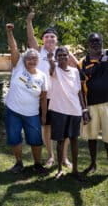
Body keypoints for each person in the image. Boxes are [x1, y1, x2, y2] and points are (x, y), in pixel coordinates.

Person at [26, 11, 78, 168]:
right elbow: (30, 39)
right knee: (46, 127)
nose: (49, 38)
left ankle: (64, 158)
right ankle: (50, 156)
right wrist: (29, 21)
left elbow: (77, 66)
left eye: (52, 37)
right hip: (43, 97)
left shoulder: (61, 53)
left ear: (56, 40)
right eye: (46, 36)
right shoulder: (39, 51)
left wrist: (70, 54)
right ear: (43, 40)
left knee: (65, 130)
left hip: (61, 98)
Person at [5, 23, 47, 174]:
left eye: (34, 59)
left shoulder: (42, 76)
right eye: (29, 58)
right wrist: (10, 33)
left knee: (36, 139)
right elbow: (13, 48)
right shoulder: (18, 67)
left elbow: (43, 97)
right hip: (13, 111)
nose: (32, 60)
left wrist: (43, 115)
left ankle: (37, 164)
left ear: (38, 61)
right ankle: (18, 163)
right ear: (24, 60)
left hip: (32, 113)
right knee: (15, 138)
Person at [48, 47, 89, 179]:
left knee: (74, 140)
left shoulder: (75, 72)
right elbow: (51, 68)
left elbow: (79, 92)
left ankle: (75, 170)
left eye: (65, 55)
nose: (62, 57)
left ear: (68, 56)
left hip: (75, 110)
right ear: (56, 57)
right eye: (59, 55)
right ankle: (59, 169)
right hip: (59, 110)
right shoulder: (54, 71)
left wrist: (84, 110)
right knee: (60, 141)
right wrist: (50, 61)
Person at [79, 33, 108, 175]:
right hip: (90, 105)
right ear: (88, 44)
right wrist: (84, 109)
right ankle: (92, 163)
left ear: (102, 42)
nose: (96, 43)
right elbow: (80, 88)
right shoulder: (83, 62)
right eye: (93, 41)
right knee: (92, 136)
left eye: (98, 41)